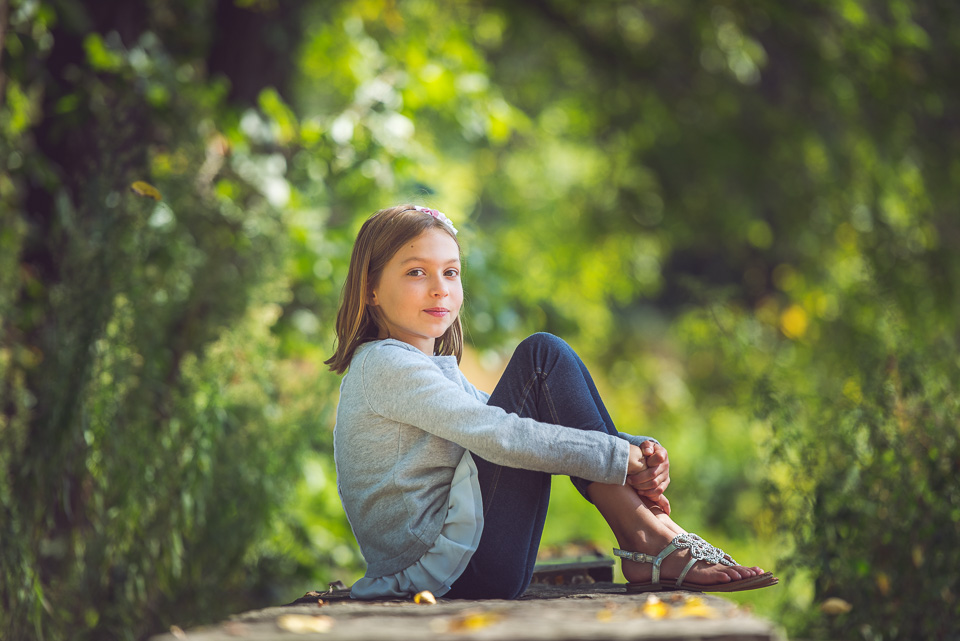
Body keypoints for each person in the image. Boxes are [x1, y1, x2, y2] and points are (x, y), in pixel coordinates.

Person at [325, 204, 777, 600]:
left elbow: (524, 417)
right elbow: (500, 435)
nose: (440, 287)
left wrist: (633, 448)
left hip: (466, 565)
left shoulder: (417, 366)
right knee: (542, 358)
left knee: (546, 366)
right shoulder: (385, 365)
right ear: (370, 288)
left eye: (451, 271)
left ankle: (649, 538)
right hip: (449, 571)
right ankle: (649, 538)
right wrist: (618, 456)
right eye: (416, 272)